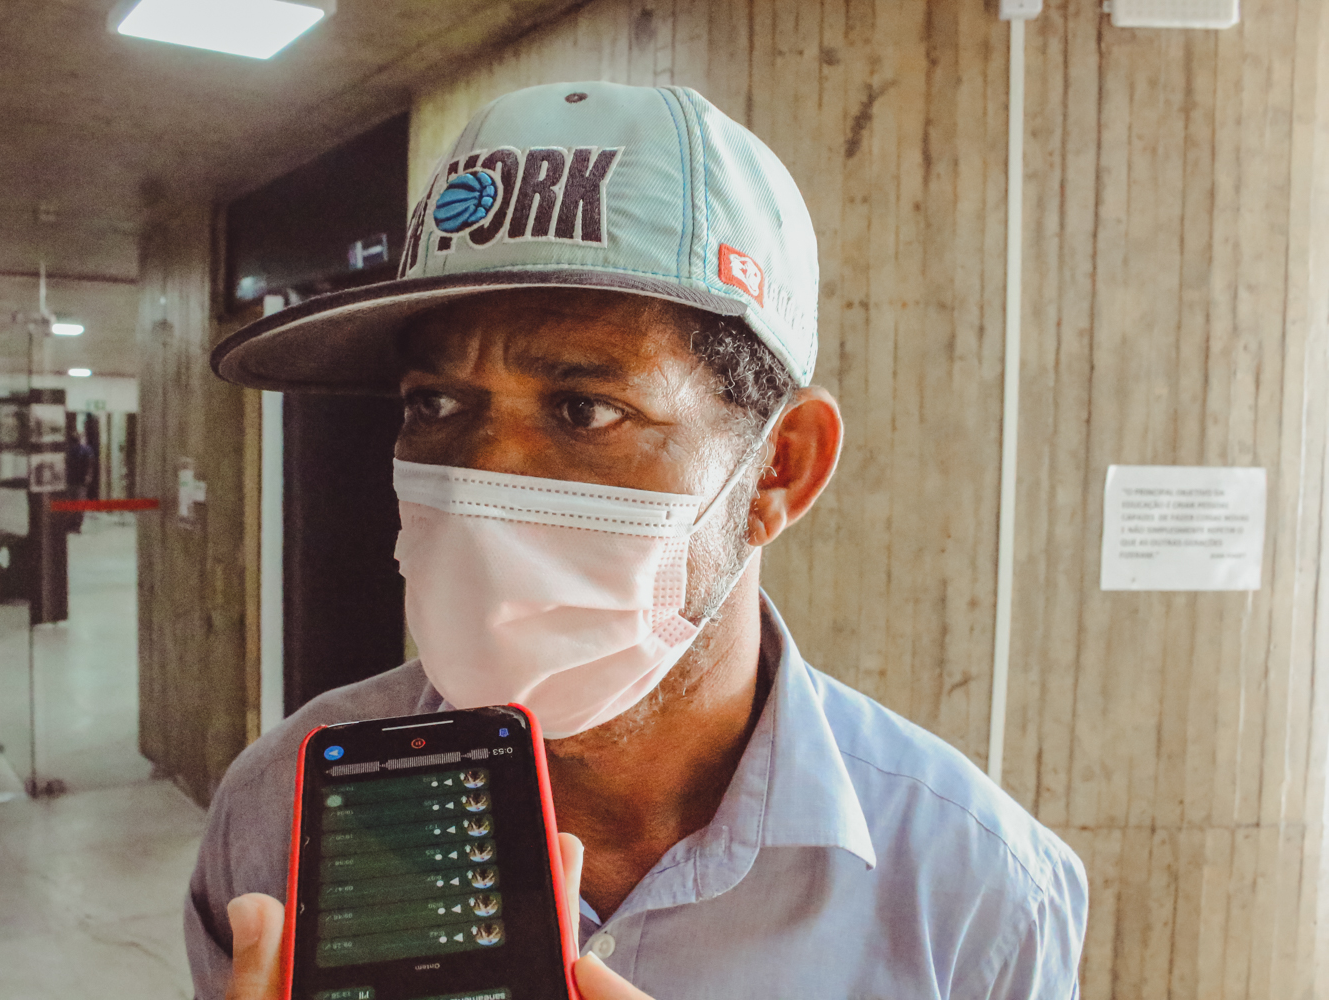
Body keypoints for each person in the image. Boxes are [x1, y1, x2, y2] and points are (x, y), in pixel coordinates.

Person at [195, 81, 1088, 1000]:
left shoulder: (978, 895)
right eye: (435, 404)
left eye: (584, 409)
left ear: (779, 469)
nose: (477, 483)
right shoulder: (277, 814)